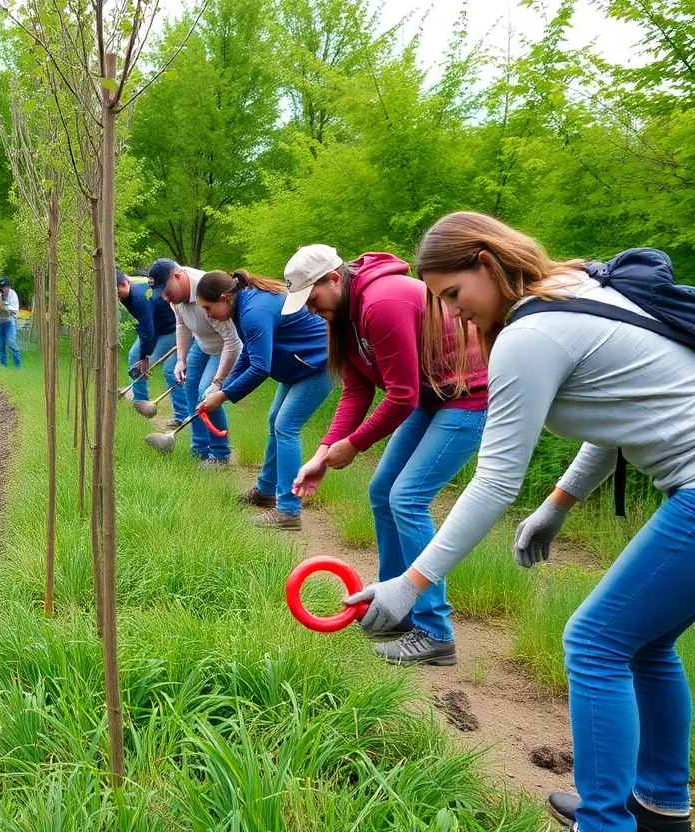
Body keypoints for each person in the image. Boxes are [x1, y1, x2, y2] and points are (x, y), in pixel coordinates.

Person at [345, 211, 695, 832]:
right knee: (645, 641)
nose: (451, 314)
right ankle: (659, 806)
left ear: (486, 262)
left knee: (594, 642)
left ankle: (606, 822)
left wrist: (411, 583)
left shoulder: (529, 335)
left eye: (453, 294)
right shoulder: (577, 288)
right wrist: (558, 503)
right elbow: (620, 419)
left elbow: (495, 482)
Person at [287, 245, 488, 666]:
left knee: (408, 497)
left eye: (312, 297)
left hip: (470, 396)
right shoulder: (343, 317)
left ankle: (434, 632)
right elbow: (357, 389)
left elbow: (401, 395)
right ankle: (394, 608)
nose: (309, 308)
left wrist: (355, 444)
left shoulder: (383, 300)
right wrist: (322, 454)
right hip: (433, 399)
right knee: (382, 491)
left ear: (334, 280)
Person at [196, 270, 329, 527]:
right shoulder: (243, 306)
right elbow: (248, 354)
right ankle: (266, 491)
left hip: (319, 362)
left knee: (286, 426)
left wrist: (222, 396)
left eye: (208, 307)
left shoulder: (253, 311)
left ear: (224, 298)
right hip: (299, 363)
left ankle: (288, 511)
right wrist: (220, 386)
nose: (206, 314)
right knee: (274, 420)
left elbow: (260, 368)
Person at [156, 258, 242, 467]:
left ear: (177, 276)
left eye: (167, 291)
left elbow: (233, 341)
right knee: (191, 389)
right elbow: (182, 324)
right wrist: (181, 360)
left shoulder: (207, 289)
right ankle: (200, 448)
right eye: (163, 295)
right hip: (202, 345)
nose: (167, 298)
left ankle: (220, 454)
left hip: (225, 348)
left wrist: (218, 381)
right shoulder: (175, 299)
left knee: (207, 393)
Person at [118, 268, 189, 418]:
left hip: (172, 330)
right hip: (156, 327)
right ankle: (141, 402)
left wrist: (145, 355)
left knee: (169, 369)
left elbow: (147, 331)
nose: (115, 296)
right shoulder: (127, 290)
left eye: (117, 292)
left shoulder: (138, 298)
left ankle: (182, 415)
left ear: (125, 283)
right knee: (134, 357)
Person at [0, 277, 22, 369]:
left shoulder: (13, 295)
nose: (3, 290)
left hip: (9, 322)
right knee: (0, 345)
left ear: (8, 287)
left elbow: (15, 310)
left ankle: (18, 366)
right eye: (1, 288)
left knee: (11, 342)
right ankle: (3, 365)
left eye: (4, 288)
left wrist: (6, 307)